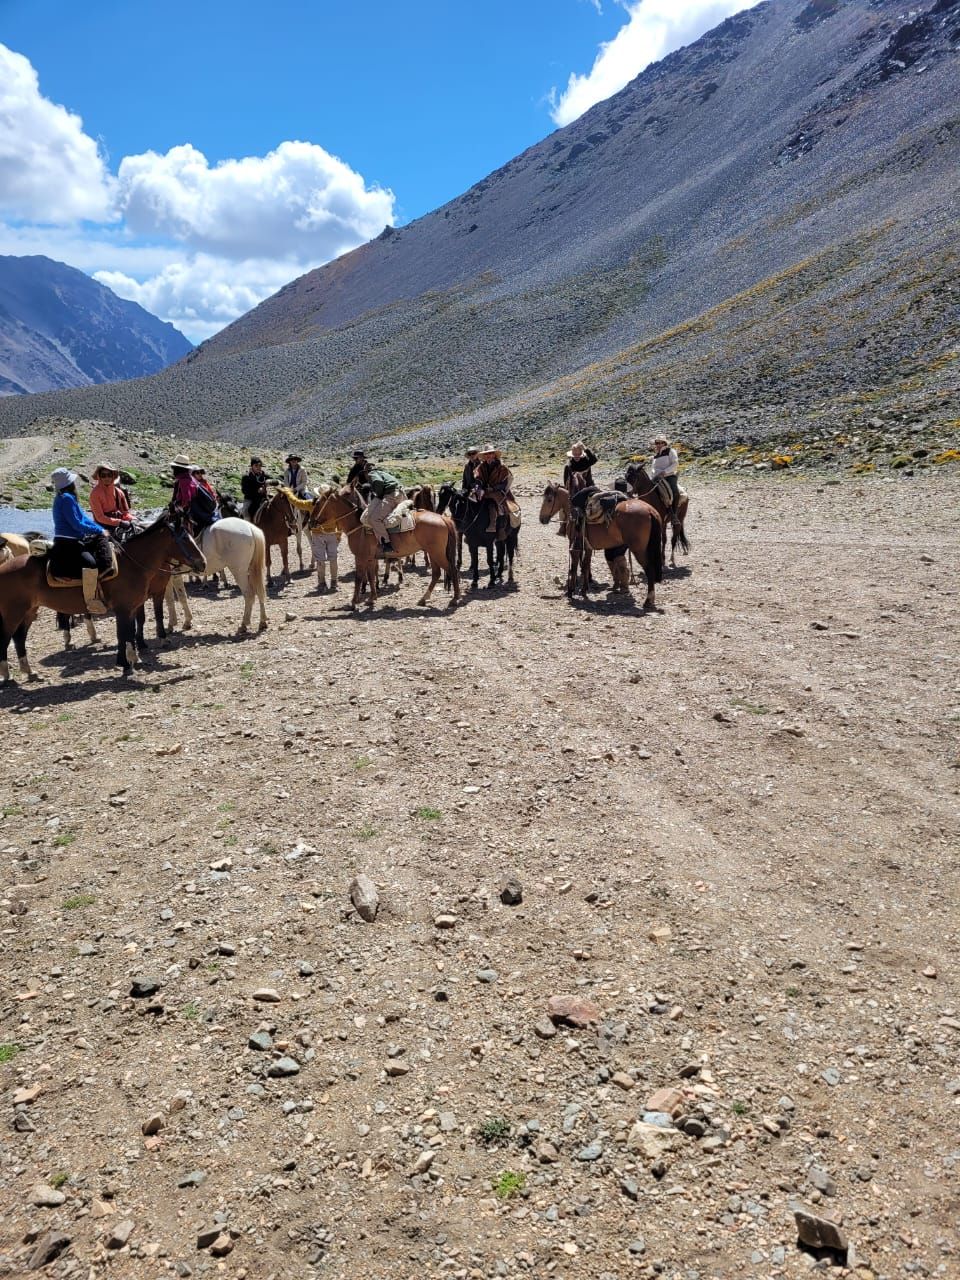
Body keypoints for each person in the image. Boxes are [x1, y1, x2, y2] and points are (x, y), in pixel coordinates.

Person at [50, 467, 113, 615]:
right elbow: (77, 524)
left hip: (71, 540)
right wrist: (99, 531)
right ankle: (91, 601)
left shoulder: (67, 498)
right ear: (69, 483)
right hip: (67, 543)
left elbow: (84, 519)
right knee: (91, 564)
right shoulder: (66, 499)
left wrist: (99, 528)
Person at [472, 444, 512, 534]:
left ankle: (497, 526)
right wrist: (478, 489)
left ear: (494, 455)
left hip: (497, 491)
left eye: (490, 453)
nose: (488, 456)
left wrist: (493, 489)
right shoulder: (481, 467)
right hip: (484, 491)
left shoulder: (502, 467)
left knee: (493, 504)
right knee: (471, 501)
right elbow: (478, 480)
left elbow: (504, 483)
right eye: (486, 454)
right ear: (484, 456)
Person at [365, 467, 404, 552]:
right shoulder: (384, 473)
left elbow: (378, 482)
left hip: (391, 495)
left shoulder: (372, 473)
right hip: (399, 494)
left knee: (374, 519)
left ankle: (386, 543)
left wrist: (379, 495)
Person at [89, 463, 134, 531]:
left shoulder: (119, 492)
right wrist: (120, 523)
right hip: (103, 526)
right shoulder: (95, 494)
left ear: (113, 476)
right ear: (99, 477)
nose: (106, 478)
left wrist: (132, 519)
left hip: (118, 521)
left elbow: (125, 512)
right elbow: (100, 517)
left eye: (109, 475)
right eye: (103, 475)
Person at [651, 435, 681, 516]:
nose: (658, 444)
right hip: (657, 478)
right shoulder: (655, 455)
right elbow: (653, 468)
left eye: (661, 443)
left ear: (665, 443)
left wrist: (665, 472)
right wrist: (654, 475)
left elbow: (675, 463)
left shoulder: (670, 451)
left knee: (674, 491)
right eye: (657, 443)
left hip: (669, 476)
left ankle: (674, 514)